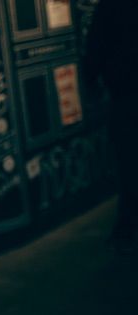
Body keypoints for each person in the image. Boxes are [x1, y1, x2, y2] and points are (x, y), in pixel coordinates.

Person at [83, 0, 138, 253]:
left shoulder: (110, 5)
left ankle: (126, 227)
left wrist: (92, 81)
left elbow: (96, 44)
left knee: (128, 163)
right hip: (125, 93)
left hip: (124, 96)